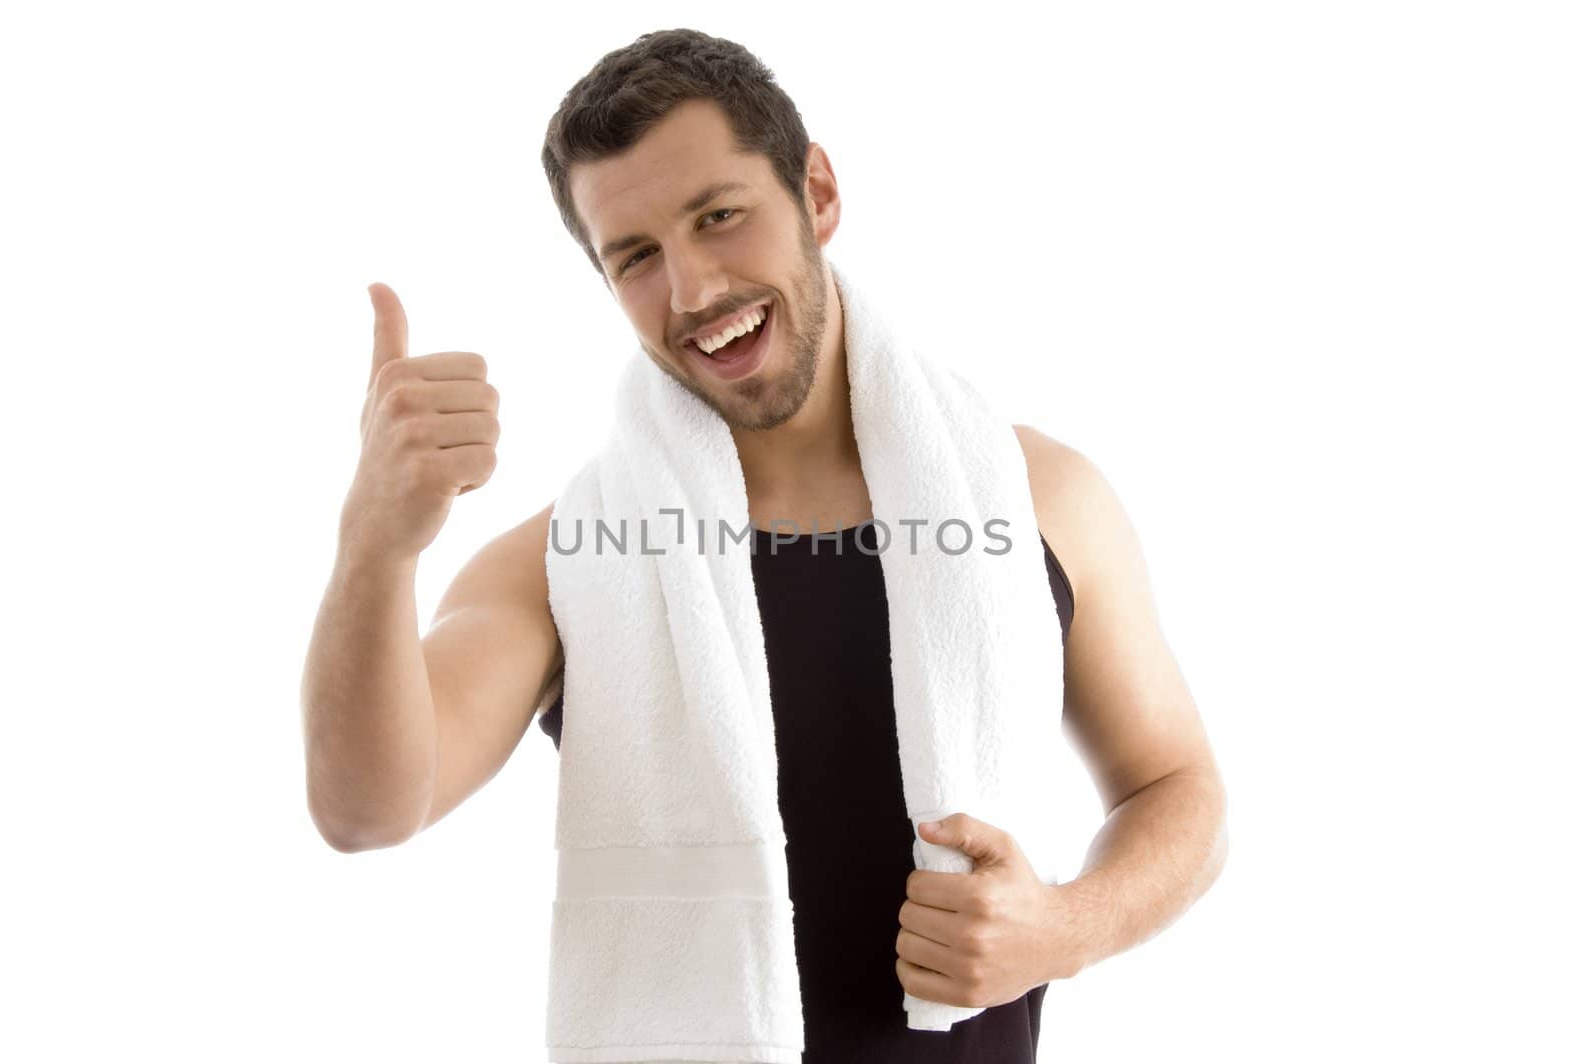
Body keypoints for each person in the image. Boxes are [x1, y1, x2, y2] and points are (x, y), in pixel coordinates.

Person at [301, 28, 1228, 1062]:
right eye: (638, 257)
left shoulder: (1037, 497)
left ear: (816, 194)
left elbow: (1177, 788)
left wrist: (1062, 929)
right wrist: (376, 542)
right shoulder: (568, 558)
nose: (694, 290)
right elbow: (370, 807)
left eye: (720, 217)